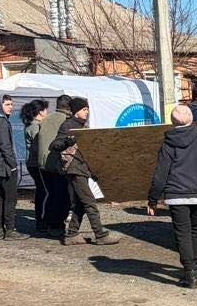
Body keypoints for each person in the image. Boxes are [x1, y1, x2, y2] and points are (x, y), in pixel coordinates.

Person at [147, 104, 197, 288]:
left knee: (182, 233)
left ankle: (190, 272)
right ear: (192, 119)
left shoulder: (168, 143)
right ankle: (196, 267)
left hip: (176, 195)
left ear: (172, 121)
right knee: (196, 230)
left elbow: (160, 174)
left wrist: (152, 199)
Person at [50, 97, 121, 246]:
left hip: (82, 168)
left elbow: (88, 152)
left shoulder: (82, 126)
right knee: (90, 202)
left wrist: (94, 170)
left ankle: (72, 235)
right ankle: (100, 235)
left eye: (87, 109)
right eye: (84, 109)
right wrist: (66, 142)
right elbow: (54, 145)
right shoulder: (68, 125)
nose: (87, 112)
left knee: (80, 203)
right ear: (76, 111)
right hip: (74, 169)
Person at [0, 95, 28, 241]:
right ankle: (9, 230)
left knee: (2, 197)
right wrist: (13, 165)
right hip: (4, 166)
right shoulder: (0, 122)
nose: (11, 107)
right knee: (10, 198)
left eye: (11, 104)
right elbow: (5, 146)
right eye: (7, 104)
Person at [37, 94, 72, 237]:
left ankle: (45, 223)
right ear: (69, 107)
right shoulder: (66, 121)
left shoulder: (46, 119)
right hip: (57, 164)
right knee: (61, 196)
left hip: (42, 163)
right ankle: (55, 225)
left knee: (50, 195)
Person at [20, 99, 49, 233]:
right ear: (40, 112)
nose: (47, 112)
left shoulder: (35, 125)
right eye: (45, 109)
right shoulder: (35, 127)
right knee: (43, 191)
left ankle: (43, 219)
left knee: (43, 190)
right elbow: (40, 147)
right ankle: (41, 220)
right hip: (36, 163)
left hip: (34, 163)